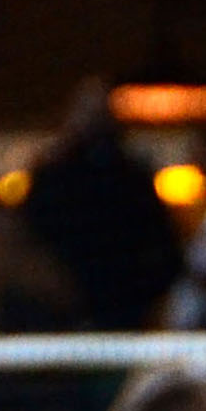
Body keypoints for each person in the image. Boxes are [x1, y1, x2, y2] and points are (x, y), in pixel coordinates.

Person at [17, 84, 185, 332]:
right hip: (60, 314)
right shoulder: (53, 177)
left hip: (125, 309)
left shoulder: (132, 178)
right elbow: (27, 239)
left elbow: (164, 248)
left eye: (99, 113)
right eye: (87, 113)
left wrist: (144, 294)